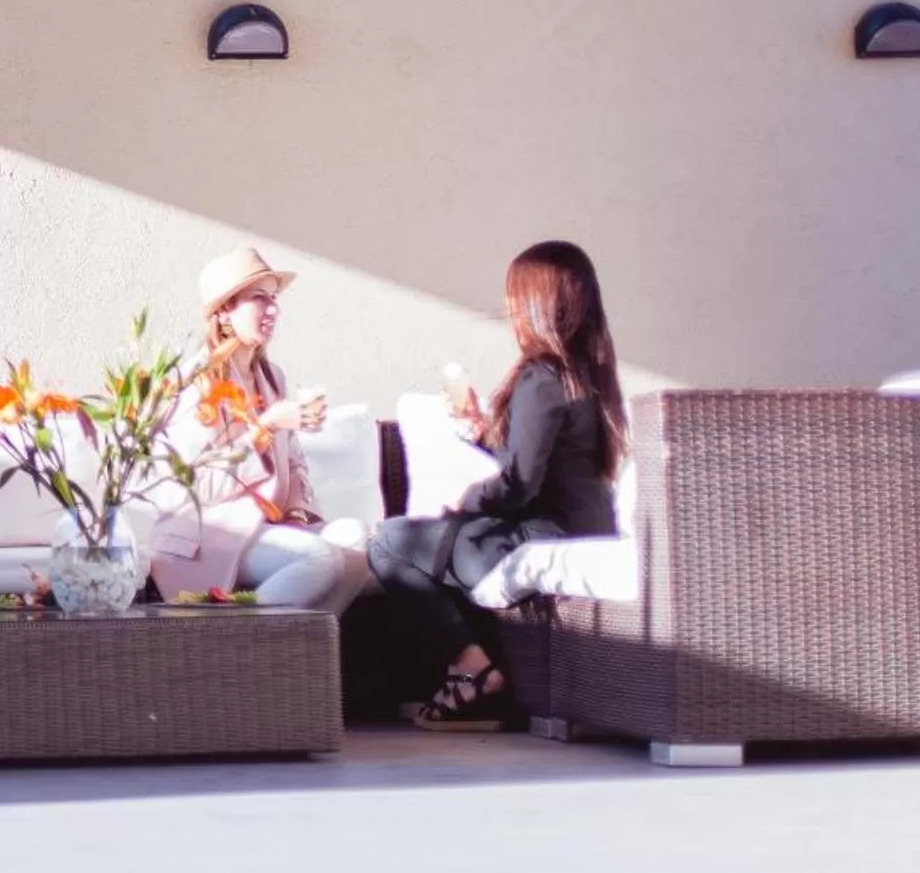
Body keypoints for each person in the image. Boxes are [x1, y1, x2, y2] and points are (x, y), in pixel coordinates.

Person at [367, 239, 627, 730]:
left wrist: (463, 501)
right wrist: (484, 434)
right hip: (580, 530)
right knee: (434, 542)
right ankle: (476, 678)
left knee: (390, 542)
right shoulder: (587, 375)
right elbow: (543, 464)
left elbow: (518, 486)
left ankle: (472, 672)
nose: (508, 309)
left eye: (514, 297)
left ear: (537, 304)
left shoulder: (542, 377)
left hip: (539, 539)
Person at [147, 247, 373, 614]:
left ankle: (304, 641)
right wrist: (265, 426)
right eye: (258, 298)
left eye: (274, 298)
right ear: (224, 312)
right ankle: (244, 634)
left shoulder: (272, 376)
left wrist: (296, 513)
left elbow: (295, 463)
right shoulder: (194, 381)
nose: (272, 310)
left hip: (266, 526)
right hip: (209, 532)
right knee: (320, 557)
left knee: (355, 541)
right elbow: (198, 486)